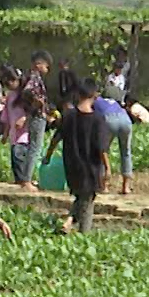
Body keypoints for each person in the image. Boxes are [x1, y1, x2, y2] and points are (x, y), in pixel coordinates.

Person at [47, 78, 111, 234]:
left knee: (82, 197)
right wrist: (108, 168)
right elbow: (101, 147)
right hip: (91, 167)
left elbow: (56, 138)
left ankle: (68, 222)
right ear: (94, 95)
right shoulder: (97, 119)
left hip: (71, 165)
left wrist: (48, 155)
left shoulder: (68, 116)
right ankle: (84, 234)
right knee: (88, 200)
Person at [13, 52, 52, 188]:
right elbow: (27, 91)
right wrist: (38, 102)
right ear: (38, 64)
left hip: (37, 115)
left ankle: (27, 178)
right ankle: (26, 180)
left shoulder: (35, 77)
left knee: (34, 147)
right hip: (36, 116)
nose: (47, 69)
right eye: (46, 66)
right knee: (35, 147)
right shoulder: (35, 77)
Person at [96, 90, 135, 195]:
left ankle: (104, 186)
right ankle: (125, 187)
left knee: (103, 150)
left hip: (109, 119)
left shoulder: (93, 101)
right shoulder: (113, 102)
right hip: (125, 119)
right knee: (126, 151)